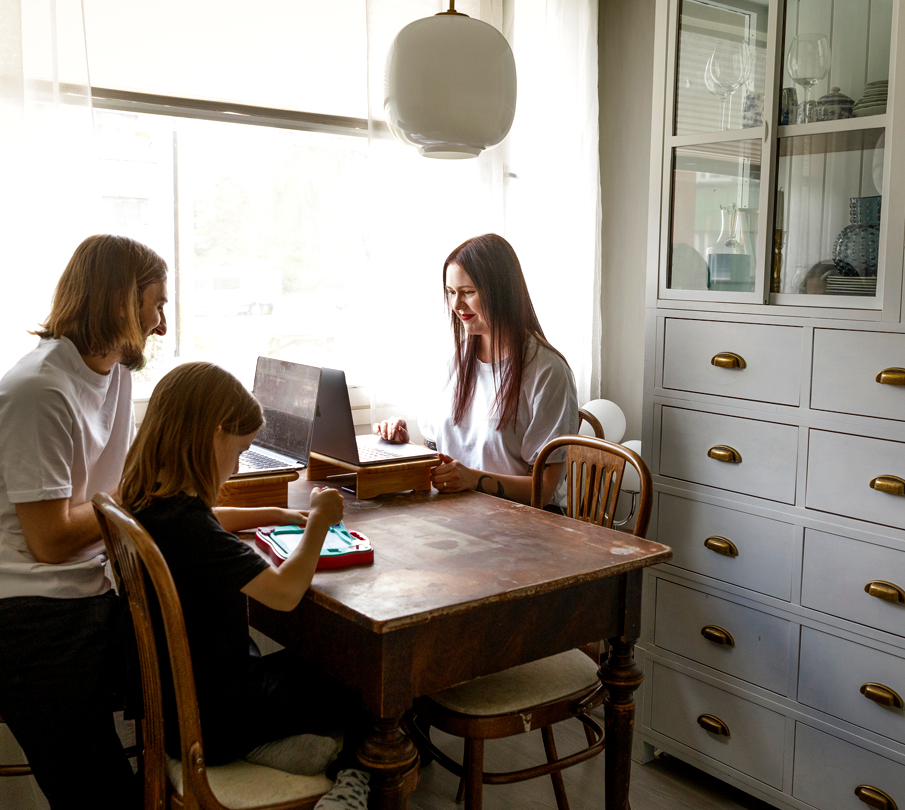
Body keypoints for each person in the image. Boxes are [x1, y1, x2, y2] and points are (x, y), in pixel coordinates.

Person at [0, 235, 306, 809]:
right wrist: (134, 498)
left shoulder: (114, 374)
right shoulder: (38, 394)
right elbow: (49, 542)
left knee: (216, 647)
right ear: (121, 302)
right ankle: (238, 760)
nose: (162, 324)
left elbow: (131, 495)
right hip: (36, 621)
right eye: (156, 304)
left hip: (92, 596)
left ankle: (236, 751)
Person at [122, 362, 371, 809]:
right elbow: (285, 593)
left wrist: (277, 514)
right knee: (362, 676)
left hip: (180, 712)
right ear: (213, 435)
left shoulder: (146, 502)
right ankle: (353, 780)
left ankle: (268, 747)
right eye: (239, 451)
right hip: (222, 718)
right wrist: (319, 522)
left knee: (305, 668)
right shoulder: (192, 532)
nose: (238, 466)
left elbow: (211, 519)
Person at [374, 233, 578, 507]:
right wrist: (404, 448)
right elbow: (440, 456)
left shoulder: (547, 371)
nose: (456, 305)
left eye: (468, 292)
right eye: (451, 292)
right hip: (458, 514)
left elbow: (544, 491)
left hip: (520, 523)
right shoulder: (455, 360)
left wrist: (473, 479)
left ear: (502, 292)